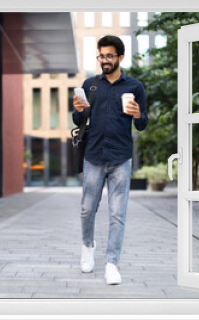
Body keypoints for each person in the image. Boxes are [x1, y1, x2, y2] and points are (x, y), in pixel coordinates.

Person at [72, 35, 148, 285]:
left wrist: (138, 114)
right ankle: (87, 246)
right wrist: (79, 110)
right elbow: (78, 120)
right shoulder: (91, 84)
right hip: (93, 156)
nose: (104, 60)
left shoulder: (135, 86)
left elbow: (142, 123)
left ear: (120, 57)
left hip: (120, 158)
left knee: (117, 214)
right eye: (101, 56)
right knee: (86, 210)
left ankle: (112, 264)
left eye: (109, 56)